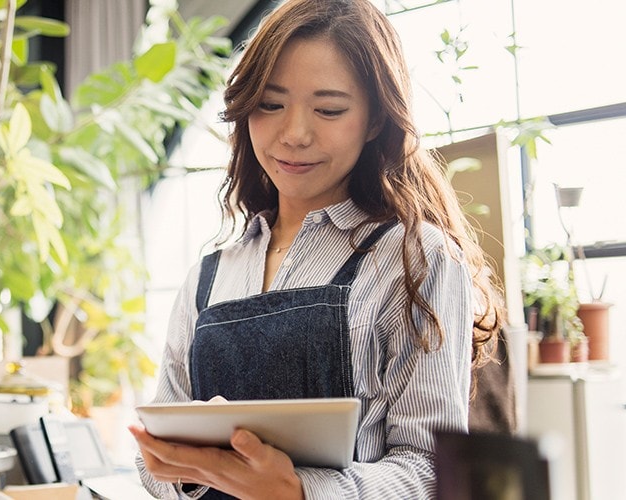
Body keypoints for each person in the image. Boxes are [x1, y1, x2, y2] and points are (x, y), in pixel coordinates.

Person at [128, 0, 505, 498]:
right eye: (270, 103)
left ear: (375, 120)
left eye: (329, 110)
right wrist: (180, 469)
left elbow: (430, 470)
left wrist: (300, 491)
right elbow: (157, 458)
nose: (295, 134)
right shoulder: (208, 275)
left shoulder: (415, 258)